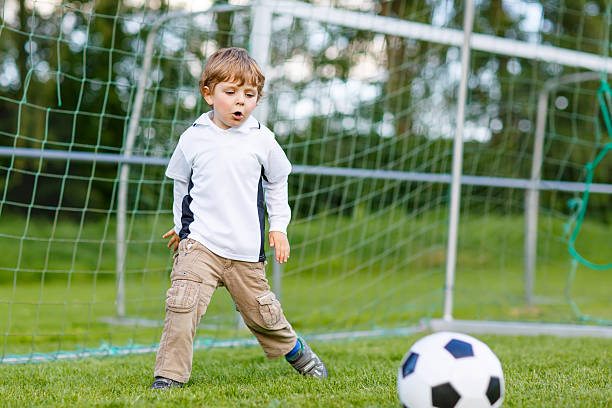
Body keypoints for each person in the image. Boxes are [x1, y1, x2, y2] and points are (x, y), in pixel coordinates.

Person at [150, 47, 328, 390]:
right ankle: (168, 377)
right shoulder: (193, 137)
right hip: (200, 243)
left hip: (246, 250)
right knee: (182, 304)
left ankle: (297, 351)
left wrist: (279, 227)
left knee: (263, 316)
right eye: (230, 93)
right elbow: (181, 185)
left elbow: (278, 182)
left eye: (249, 95)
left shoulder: (263, 139)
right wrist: (180, 226)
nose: (240, 102)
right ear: (209, 93)